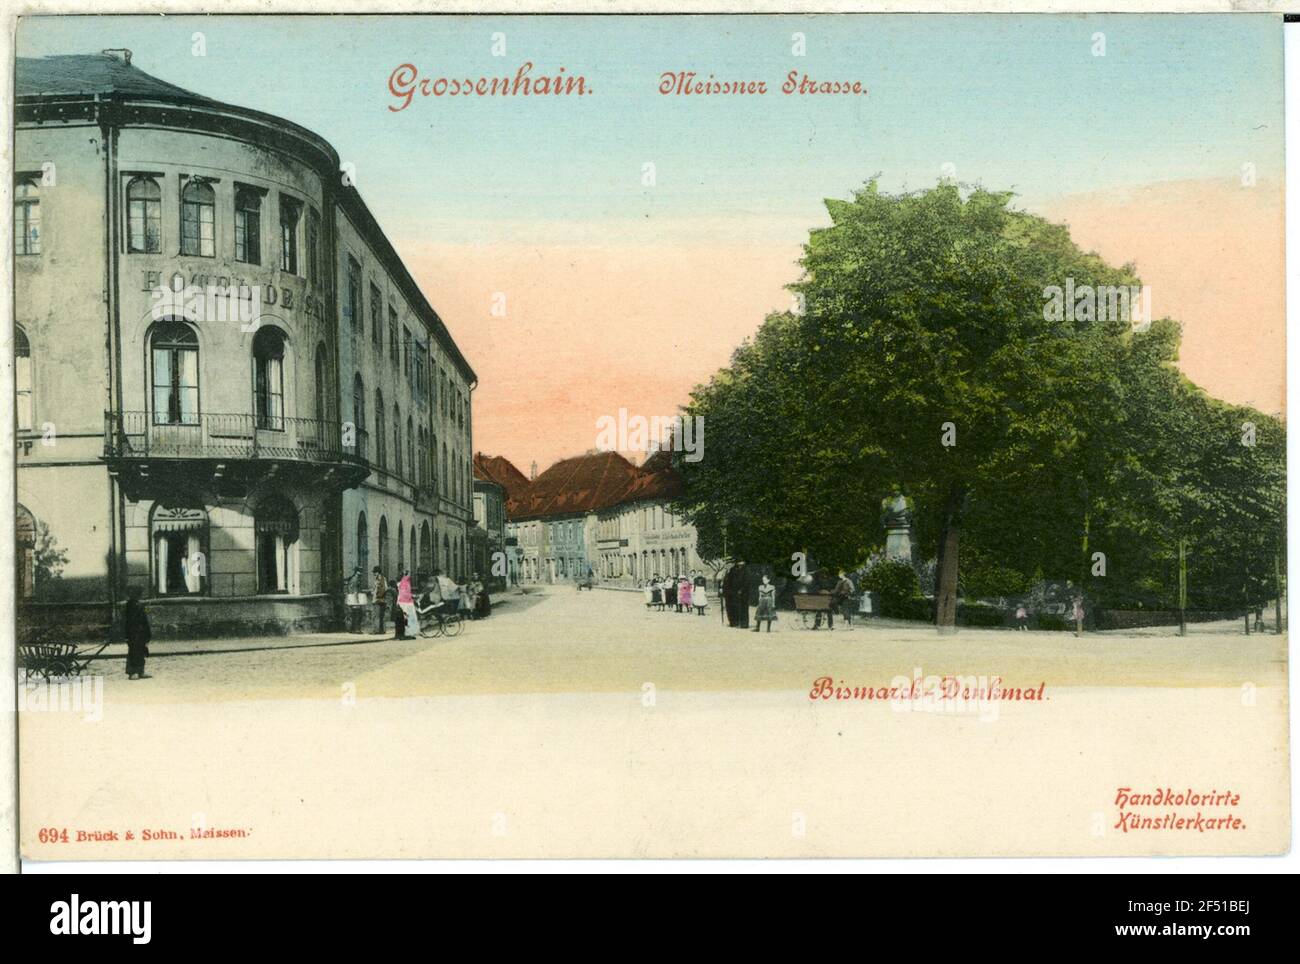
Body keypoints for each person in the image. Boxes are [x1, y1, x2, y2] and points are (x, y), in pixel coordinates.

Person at [124, 587, 152, 680]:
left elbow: (144, 620)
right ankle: (132, 673)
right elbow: (127, 621)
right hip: (133, 633)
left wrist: (147, 633)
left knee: (141, 651)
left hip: (141, 632)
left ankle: (140, 671)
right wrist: (127, 635)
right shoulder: (129, 605)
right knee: (133, 652)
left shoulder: (140, 605)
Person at [724, 562, 749, 628]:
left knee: (743, 608)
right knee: (732, 608)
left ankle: (744, 624)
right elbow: (728, 582)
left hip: (743, 593)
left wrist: (741, 590)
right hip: (731, 593)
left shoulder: (746, 570)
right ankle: (734, 622)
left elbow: (746, 582)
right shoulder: (732, 571)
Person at [397, 569, 419, 640]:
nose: (410, 576)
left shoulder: (404, 582)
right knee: (408, 618)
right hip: (406, 603)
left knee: (408, 618)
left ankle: (409, 633)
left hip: (405, 602)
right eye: (409, 574)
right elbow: (404, 594)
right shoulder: (405, 582)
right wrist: (411, 596)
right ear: (406, 575)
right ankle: (408, 633)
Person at [372, 566, 388, 635]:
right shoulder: (384, 579)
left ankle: (376, 630)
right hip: (383, 599)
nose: (373, 574)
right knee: (382, 616)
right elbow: (386, 588)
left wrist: (374, 593)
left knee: (376, 616)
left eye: (374, 572)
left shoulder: (377, 579)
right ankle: (383, 630)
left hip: (377, 599)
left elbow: (376, 590)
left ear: (377, 572)